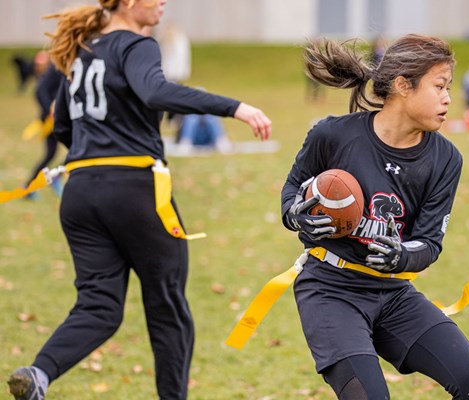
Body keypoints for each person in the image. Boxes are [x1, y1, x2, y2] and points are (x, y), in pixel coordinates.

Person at [6, 1, 271, 399]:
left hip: (79, 193)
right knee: (168, 306)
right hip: (133, 191)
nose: (164, 3)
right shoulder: (137, 44)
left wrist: (94, 160)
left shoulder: (80, 51)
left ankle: (39, 374)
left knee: (99, 306)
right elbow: (155, 91)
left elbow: (62, 125)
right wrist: (235, 107)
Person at [281, 35, 469, 399]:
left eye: (449, 88)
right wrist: (297, 215)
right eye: (439, 86)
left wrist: (401, 256)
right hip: (330, 290)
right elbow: (291, 195)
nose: (448, 98)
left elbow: (429, 243)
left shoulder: (445, 159)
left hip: (393, 293)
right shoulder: (332, 135)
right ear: (401, 86)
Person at [23, 63, 65, 200]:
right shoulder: (56, 67)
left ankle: (53, 178)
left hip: (66, 118)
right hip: (52, 120)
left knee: (74, 151)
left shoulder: (75, 64)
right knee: (52, 154)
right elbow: (40, 91)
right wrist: (50, 112)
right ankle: (30, 187)